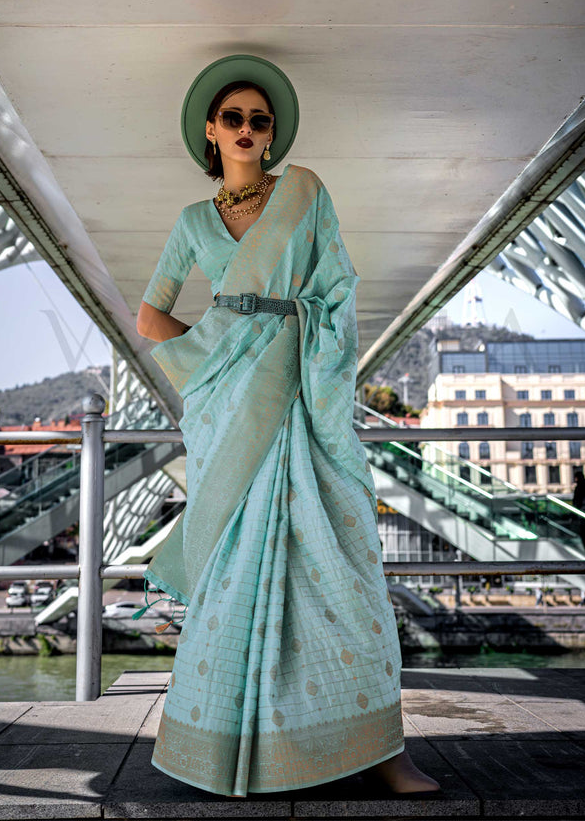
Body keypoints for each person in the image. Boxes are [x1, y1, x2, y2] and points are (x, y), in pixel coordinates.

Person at [136, 55, 440, 799]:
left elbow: (337, 292)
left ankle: (379, 749)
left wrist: (290, 328)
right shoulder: (191, 224)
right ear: (211, 133)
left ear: (271, 137)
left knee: (346, 571)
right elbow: (149, 315)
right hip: (228, 412)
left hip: (302, 399)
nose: (246, 128)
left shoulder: (303, 194)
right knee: (232, 577)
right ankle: (227, 750)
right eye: (232, 118)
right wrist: (215, 355)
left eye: (258, 120)